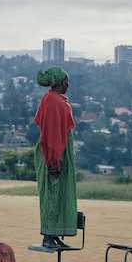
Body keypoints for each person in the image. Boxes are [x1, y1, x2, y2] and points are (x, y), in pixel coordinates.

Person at [34, 67, 77, 249]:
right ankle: (48, 236)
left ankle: (55, 235)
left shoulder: (54, 100)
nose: (68, 84)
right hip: (54, 154)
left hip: (59, 152)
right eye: (66, 81)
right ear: (58, 82)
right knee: (53, 193)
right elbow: (51, 134)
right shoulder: (52, 101)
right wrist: (53, 160)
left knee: (60, 194)